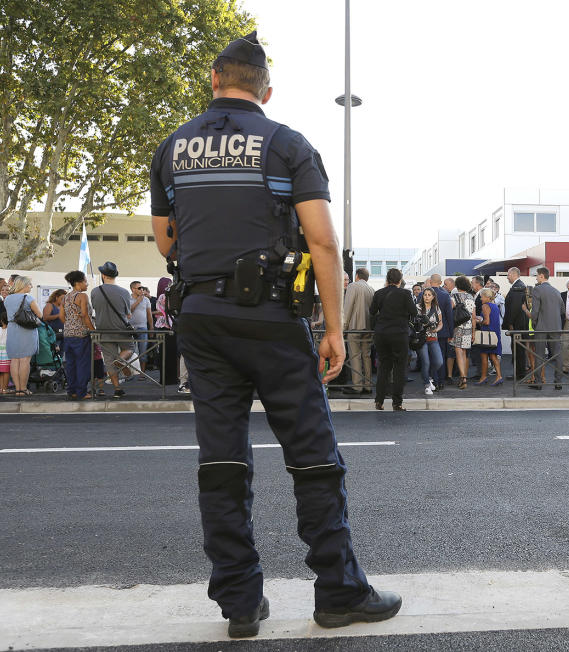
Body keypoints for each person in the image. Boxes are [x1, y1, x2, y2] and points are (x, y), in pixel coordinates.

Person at [149, 31, 400, 638]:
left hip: (203, 320)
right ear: (267, 89)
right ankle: (338, 591)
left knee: (222, 460)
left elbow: (165, 242)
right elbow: (323, 241)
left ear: (214, 81)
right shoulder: (287, 144)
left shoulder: (171, 148)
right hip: (271, 320)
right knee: (314, 458)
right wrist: (334, 328)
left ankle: (239, 603)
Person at [369, 268, 417, 410]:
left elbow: (372, 311)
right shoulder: (405, 294)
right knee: (399, 368)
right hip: (399, 333)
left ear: (387, 280)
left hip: (381, 333)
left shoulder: (379, 293)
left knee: (383, 366)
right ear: (400, 280)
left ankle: (379, 401)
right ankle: (397, 402)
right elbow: (413, 312)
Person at [90, 261, 134, 397]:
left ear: (103, 275)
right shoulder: (124, 292)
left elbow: (96, 309)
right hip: (121, 329)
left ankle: (117, 389)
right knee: (129, 349)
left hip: (103, 329)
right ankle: (121, 360)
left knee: (108, 360)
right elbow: (128, 314)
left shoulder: (95, 291)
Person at [524, 267, 565, 390]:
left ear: (542, 276)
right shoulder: (557, 291)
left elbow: (535, 312)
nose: (536, 278)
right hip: (556, 327)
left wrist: (531, 317)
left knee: (539, 355)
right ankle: (558, 382)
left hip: (541, 328)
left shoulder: (538, 289)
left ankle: (538, 382)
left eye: (536, 275)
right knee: (557, 355)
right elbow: (563, 310)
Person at [60, 271, 96, 400]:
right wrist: (93, 331)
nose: (86, 284)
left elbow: (61, 316)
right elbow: (86, 316)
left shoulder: (65, 297)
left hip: (68, 334)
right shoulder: (82, 296)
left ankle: (72, 391)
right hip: (81, 335)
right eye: (85, 281)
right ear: (78, 283)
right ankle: (82, 392)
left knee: (71, 364)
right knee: (82, 364)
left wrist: (70, 325)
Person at [3, 276, 42, 397]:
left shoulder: (7, 299)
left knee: (14, 360)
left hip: (12, 329)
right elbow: (39, 314)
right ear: (24, 285)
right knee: (25, 360)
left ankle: (18, 389)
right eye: (30, 284)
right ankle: (24, 389)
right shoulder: (29, 298)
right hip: (26, 330)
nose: (31, 286)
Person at [154, 277, 190, 394]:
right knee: (173, 354)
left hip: (163, 326)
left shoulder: (161, 296)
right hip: (171, 325)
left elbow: (160, 311)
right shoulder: (167, 296)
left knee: (166, 354)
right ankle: (174, 378)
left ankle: (166, 379)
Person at [343, 268, 375, 396]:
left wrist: (343, 327)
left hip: (355, 326)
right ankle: (368, 385)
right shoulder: (371, 289)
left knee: (355, 355)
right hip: (368, 327)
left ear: (356, 276)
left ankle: (357, 386)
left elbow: (348, 307)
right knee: (366, 356)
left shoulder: (353, 286)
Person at [502, 267, 531, 383]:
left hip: (518, 325)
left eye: (508, 275)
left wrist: (510, 323)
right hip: (519, 323)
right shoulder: (518, 286)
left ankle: (520, 374)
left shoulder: (517, 287)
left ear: (513, 274)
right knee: (518, 349)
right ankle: (519, 373)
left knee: (518, 349)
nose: (507, 277)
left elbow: (514, 308)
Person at [427, 274, 454, 389]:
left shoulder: (424, 295)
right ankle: (441, 381)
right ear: (440, 282)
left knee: (429, 357)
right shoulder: (445, 295)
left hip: (428, 331)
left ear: (430, 281)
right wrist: (451, 333)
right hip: (442, 331)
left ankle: (432, 380)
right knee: (441, 356)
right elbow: (449, 316)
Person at [450, 275, 476, 389]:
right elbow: (474, 316)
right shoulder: (471, 297)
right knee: (464, 353)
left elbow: (450, 313)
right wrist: (474, 333)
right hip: (468, 327)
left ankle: (463, 378)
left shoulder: (453, 296)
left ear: (457, 285)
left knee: (458, 352)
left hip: (457, 327)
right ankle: (464, 375)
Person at [473, 287, 503, 386]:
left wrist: (478, 320)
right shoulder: (494, 306)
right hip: (494, 333)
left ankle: (483, 377)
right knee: (493, 356)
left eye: (481, 297)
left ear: (486, 297)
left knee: (484, 356)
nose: (481, 299)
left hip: (486, 334)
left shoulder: (485, 306)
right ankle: (499, 376)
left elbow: (486, 321)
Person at [416, 287, 443, 395]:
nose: (426, 297)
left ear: (433, 297)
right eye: (425, 294)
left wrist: (436, 329)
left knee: (439, 362)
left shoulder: (436, 308)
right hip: (421, 339)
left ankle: (429, 377)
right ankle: (427, 385)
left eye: (429, 295)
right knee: (425, 362)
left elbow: (441, 323)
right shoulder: (417, 307)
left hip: (433, 338)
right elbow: (413, 322)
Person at [129, 280, 154, 373]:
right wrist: (138, 301)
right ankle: (130, 372)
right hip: (130, 328)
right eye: (139, 288)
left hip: (143, 328)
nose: (141, 289)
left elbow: (149, 315)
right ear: (133, 289)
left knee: (143, 351)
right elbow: (128, 311)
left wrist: (151, 327)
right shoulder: (128, 299)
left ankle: (142, 373)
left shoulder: (146, 300)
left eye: (142, 288)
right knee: (130, 352)